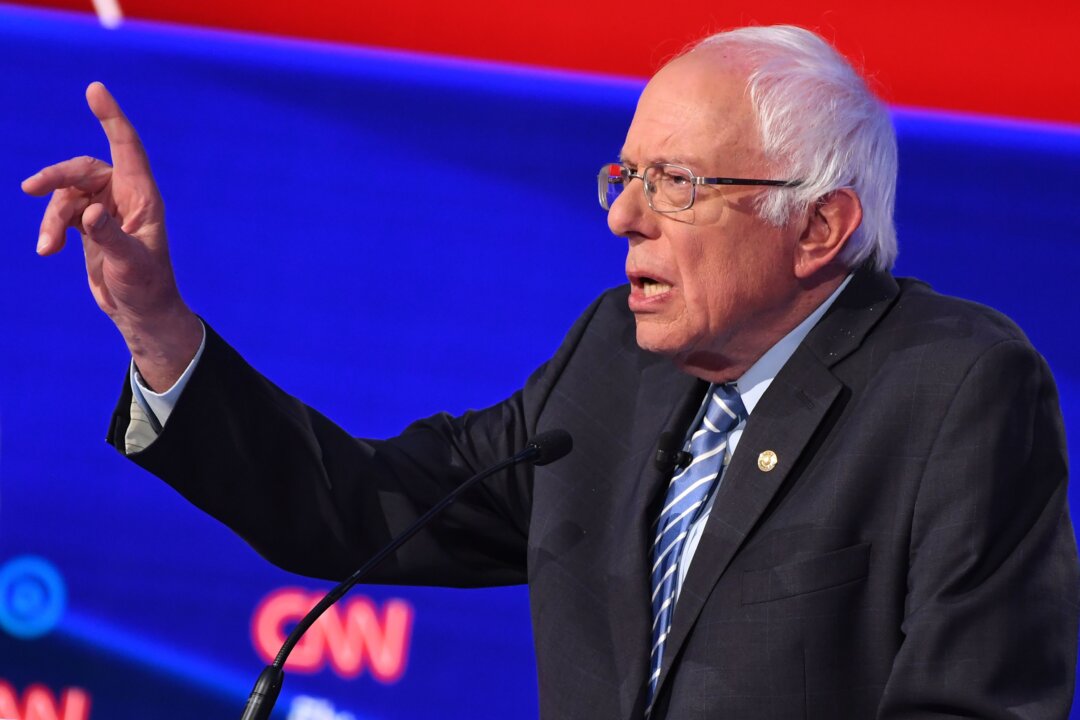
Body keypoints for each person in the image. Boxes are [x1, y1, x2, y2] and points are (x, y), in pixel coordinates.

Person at [22, 24, 1077, 720]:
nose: (623, 216)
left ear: (819, 228)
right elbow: (357, 506)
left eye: (676, 183)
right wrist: (157, 325)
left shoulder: (957, 391)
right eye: (625, 176)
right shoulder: (613, 360)